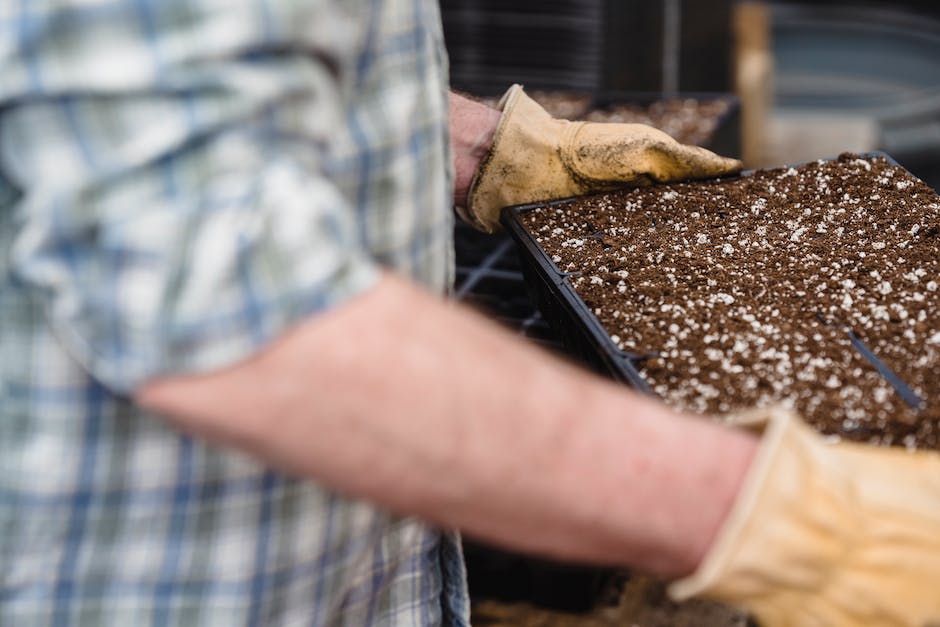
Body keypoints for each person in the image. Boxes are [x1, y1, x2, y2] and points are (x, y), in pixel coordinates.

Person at [0, 2, 938, 626]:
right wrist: (796, 521)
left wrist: (477, 145)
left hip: (344, 555)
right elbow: (211, 301)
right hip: (169, 578)